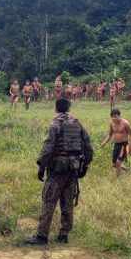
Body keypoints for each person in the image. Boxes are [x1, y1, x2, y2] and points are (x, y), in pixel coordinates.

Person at [25, 98, 93, 245]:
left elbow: (47, 148)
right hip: (73, 168)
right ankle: (64, 235)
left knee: (49, 201)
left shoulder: (55, 124)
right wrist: (85, 166)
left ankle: (42, 237)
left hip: (57, 170)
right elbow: (88, 147)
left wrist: (41, 167)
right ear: (69, 108)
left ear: (55, 109)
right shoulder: (77, 123)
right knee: (67, 202)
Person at [100, 109, 131, 177]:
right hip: (116, 145)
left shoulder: (125, 123)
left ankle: (117, 179)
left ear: (119, 116)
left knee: (118, 162)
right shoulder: (112, 124)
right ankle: (127, 169)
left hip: (124, 145)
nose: (113, 118)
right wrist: (104, 143)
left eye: (115, 116)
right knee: (114, 164)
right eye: (112, 117)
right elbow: (110, 135)